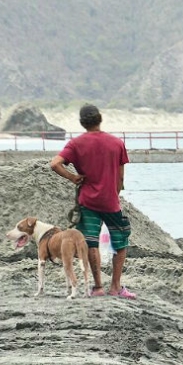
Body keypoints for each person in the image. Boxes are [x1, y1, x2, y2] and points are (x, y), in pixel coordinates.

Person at [50, 104, 136, 299]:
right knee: (120, 242)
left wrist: (73, 177)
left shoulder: (76, 144)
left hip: (87, 201)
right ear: (100, 119)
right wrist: (114, 194)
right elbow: (121, 178)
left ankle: (97, 287)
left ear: (82, 123)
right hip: (110, 202)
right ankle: (115, 286)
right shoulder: (116, 143)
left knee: (91, 243)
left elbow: (55, 164)